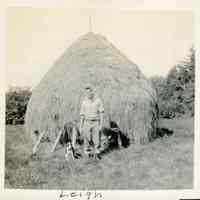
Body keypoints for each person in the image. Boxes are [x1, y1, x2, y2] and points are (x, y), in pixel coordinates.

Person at [79, 84, 104, 159]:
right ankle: (88, 154)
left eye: (89, 92)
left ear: (92, 92)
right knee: (87, 138)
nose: (88, 94)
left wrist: (100, 125)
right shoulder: (84, 102)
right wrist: (81, 126)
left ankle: (97, 153)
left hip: (95, 122)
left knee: (96, 138)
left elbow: (101, 113)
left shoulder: (98, 101)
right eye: (86, 92)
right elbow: (82, 115)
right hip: (86, 122)